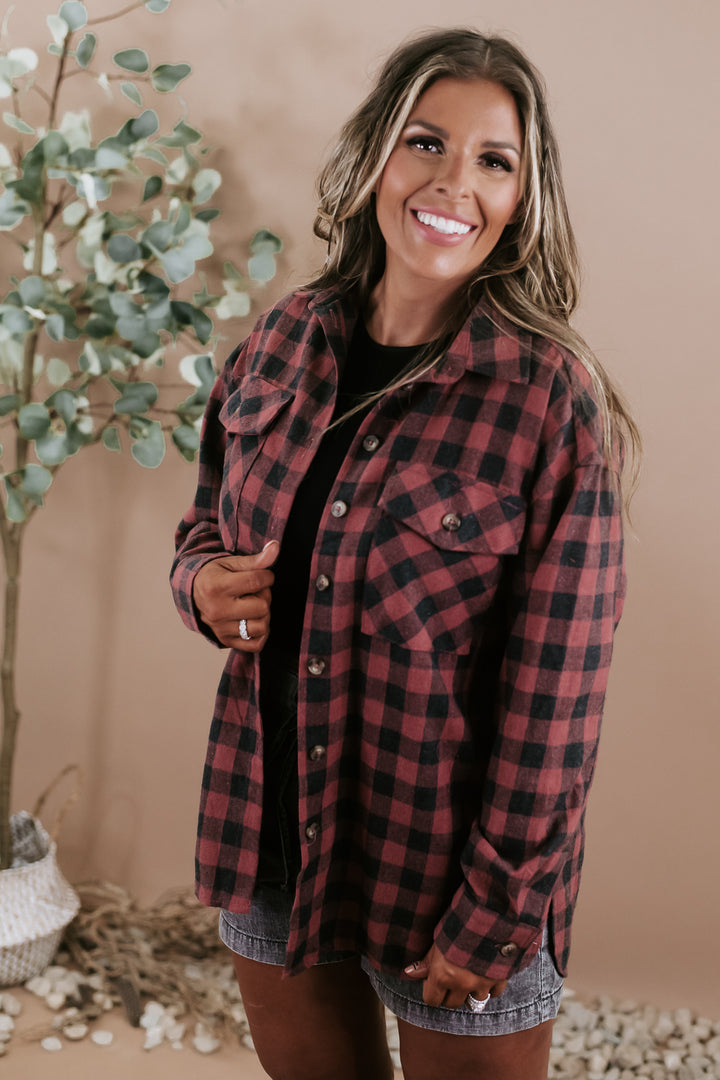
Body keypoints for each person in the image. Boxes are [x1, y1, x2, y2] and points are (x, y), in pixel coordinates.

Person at [171, 28, 637, 1080]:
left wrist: (497, 908)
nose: (452, 183)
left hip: (445, 877)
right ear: (377, 154)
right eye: (426, 142)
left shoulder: (546, 402)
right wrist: (200, 585)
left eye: (493, 160)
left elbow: (557, 699)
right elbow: (202, 525)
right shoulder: (285, 338)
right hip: (270, 838)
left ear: (522, 198)